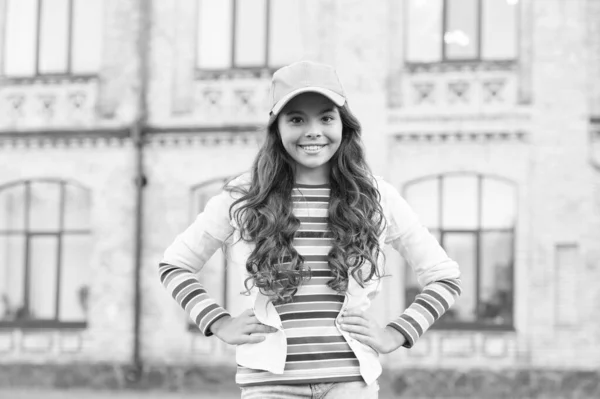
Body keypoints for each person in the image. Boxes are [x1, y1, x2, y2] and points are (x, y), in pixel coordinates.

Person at [159, 61, 461, 399]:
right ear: (277, 128)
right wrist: (218, 322)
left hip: (350, 386)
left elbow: (444, 276)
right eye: (297, 119)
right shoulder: (244, 195)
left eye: (326, 118)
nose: (313, 131)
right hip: (269, 386)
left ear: (343, 125)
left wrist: (396, 332)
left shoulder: (377, 197)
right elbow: (175, 265)